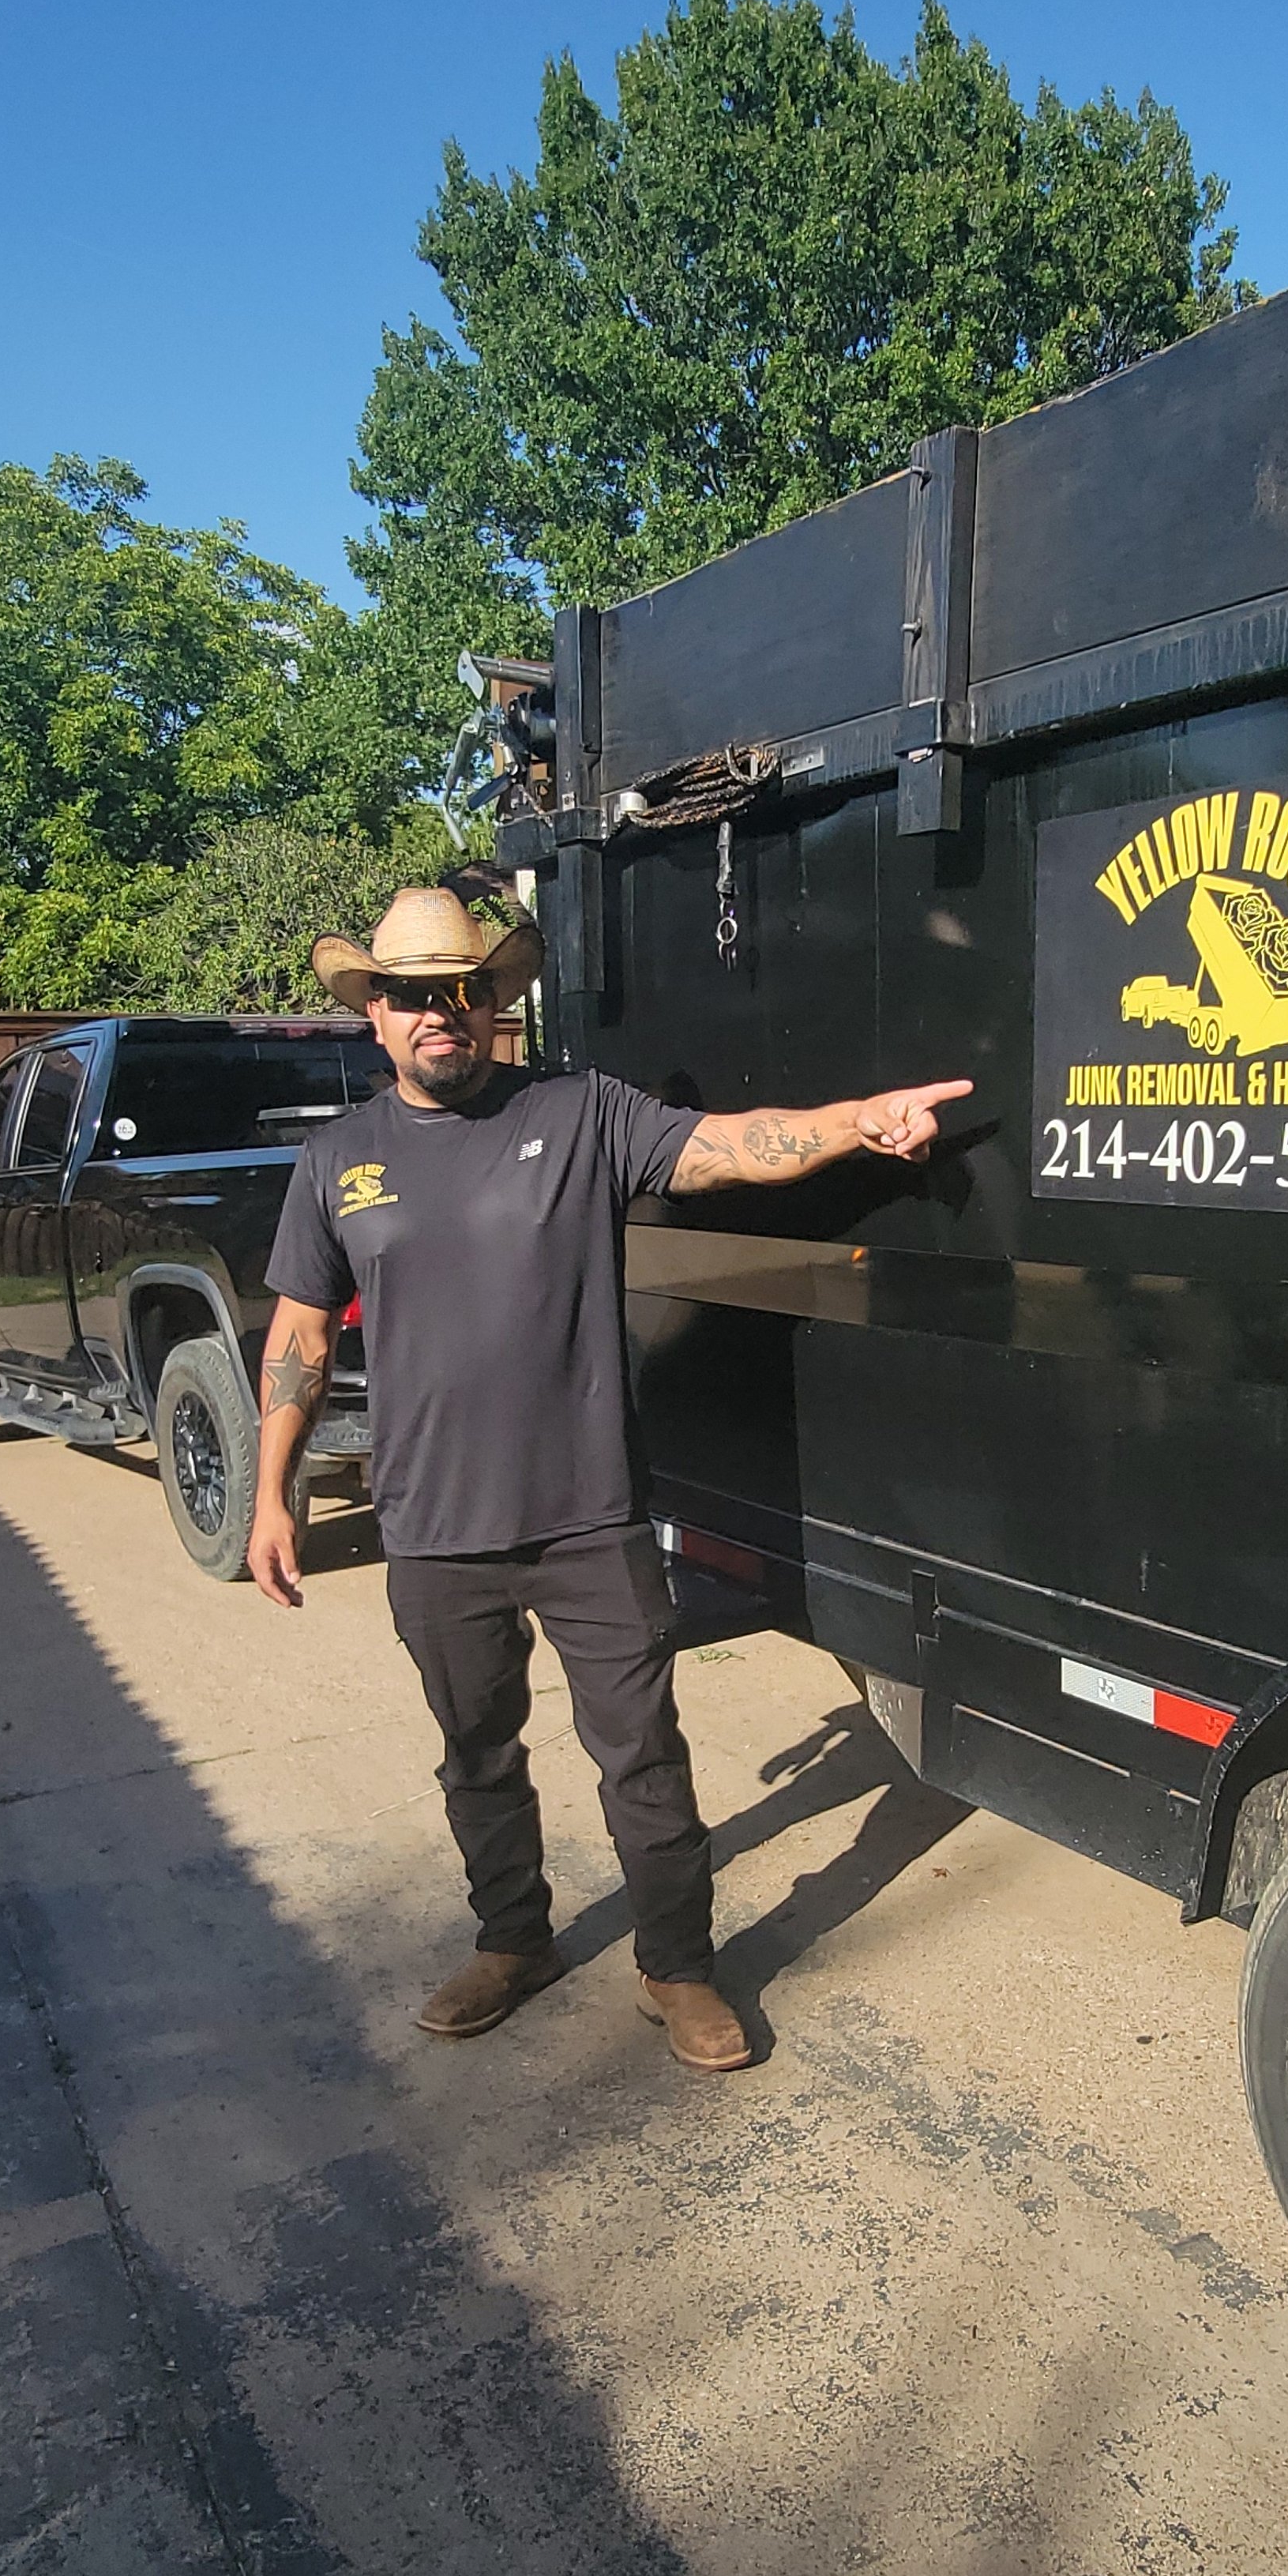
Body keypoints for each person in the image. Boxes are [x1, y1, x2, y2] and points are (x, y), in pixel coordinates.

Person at [250, 882, 971, 2074]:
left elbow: (734, 1146)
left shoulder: (582, 1113)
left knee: (643, 1756)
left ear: (495, 1004)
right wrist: (273, 1493)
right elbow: (301, 1336)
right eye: (416, 998)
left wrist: (861, 1118)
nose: (444, 1015)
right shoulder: (338, 1162)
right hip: (433, 1528)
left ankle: (677, 1969)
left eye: (465, 992)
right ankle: (512, 1941)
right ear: (374, 1014)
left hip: (589, 1515)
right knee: (475, 1752)